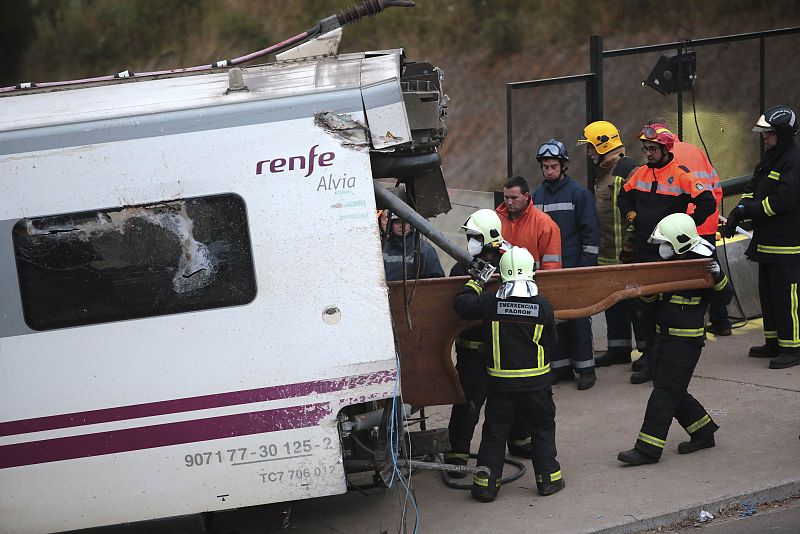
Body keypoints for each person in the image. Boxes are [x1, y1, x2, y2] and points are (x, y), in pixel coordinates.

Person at [617, 213, 733, 466]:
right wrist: (645, 290)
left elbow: (724, 299)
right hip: (663, 335)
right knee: (670, 387)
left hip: (685, 341)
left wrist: (717, 277)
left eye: (666, 243)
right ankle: (703, 430)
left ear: (680, 241)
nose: (662, 248)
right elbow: (650, 308)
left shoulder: (702, 263)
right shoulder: (670, 265)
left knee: (664, 392)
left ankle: (648, 448)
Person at [453, 246, 563, 502]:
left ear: (502, 275)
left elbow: (463, 305)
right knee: (542, 428)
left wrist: (476, 282)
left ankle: (485, 486)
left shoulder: (491, 303)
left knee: (494, 432)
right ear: (532, 273)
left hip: (501, 386)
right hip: (536, 386)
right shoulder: (543, 307)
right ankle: (549, 481)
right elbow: (551, 341)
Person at [619, 125, 717, 384]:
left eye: (652, 148)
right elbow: (623, 198)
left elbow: (708, 202)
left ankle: (664, 363)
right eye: (646, 148)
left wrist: (687, 223)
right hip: (643, 251)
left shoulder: (681, 175)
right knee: (646, 311)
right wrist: (633, 217)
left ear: (666, 149)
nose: (648, 153)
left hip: (668, 254)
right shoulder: (639, 174)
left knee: (667, 311)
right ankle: (651, 362)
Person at [444, 209, 535, 470]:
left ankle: (519, 439)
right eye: (469, 236)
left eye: (474, 236)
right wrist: (476, 281)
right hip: (472, 350)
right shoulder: (462, 266)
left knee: (512, 396)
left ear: (489, 238)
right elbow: (461, 303)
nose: (469, 241)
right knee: (468, 402)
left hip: (503, 346)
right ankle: (458, 451)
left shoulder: (511, 260)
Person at [723, 105, 800, 369]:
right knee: (768, 296)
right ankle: (774, 342)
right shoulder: (769, 159)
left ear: (783, 133)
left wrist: (749, 210)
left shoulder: (794, 160)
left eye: (769, 133)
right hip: (767, 242)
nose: (764, 137)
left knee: (786, 297)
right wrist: (737, 213)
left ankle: (793, 348)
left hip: (788, 245)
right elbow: (751, 189)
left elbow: (782, 201)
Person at [644, 118, 731, 336]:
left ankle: (685, 324)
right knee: (712, 272)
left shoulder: (664, 159)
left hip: (679, 228)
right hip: (706, 223)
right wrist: (710, 216)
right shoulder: (695, 150)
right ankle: (721, 322)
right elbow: (715, 187)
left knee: (680, 279)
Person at [532, 139, 601, 390]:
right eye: (545, 166)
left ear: (564, 166)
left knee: (579, 319)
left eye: (553, 166)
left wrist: (585, 268)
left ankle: (586, 369)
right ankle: (559, 367)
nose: (549, 170)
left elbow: (591, 233)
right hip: (549, 271)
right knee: (554, 318)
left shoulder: (578, 193)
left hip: (574, 269)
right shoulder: (536, 196)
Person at [577, 121, 646, 369]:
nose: (588, 153)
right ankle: (619, 349)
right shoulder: (603, 172)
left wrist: (631, 246)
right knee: (613, 306)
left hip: (627, 255)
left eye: (590, 147)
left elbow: (638, 212)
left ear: (601, 144)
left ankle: (647, 353)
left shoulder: (628, 169)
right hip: (608, 255)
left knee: (638, 307)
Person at [496, 176, 562, 270]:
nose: (509, 202)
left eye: (514, 198)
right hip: (502, 281)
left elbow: (552, 265)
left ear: (526, 196)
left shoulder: (544, 224)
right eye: (506, 197)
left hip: (534, 282)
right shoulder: (496, 220)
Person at [381, 213, 444, 281]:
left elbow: (437, 281)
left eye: (406, 222)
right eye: (397, 222)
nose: (402, 226)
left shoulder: (425, 249)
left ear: (411, 225)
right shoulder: (381, 248)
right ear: (390, 225)